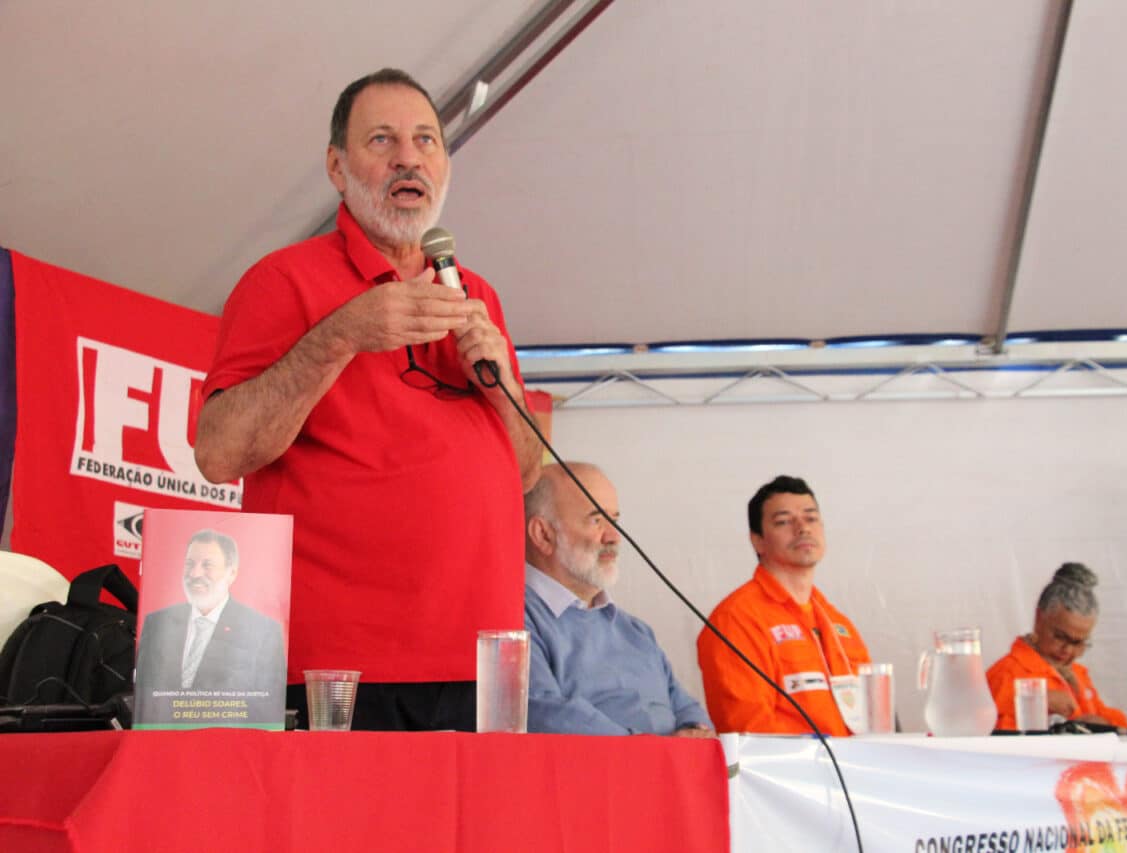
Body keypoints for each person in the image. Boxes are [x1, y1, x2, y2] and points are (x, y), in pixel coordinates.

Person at [193, 68, 541, 731]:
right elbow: (219, 452)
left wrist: (503, 387)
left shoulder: (478, 295)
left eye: (426, 140)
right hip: (336, 667)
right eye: (382, 140)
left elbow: (524, 471)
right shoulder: (282, 280)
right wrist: (341, 334)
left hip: (480, 662)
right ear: (336, 166)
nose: (409, 158)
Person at [523, 462, 714, 737]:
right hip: (605, 765)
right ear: (543, 534)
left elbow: (686, 707)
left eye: (614, 520)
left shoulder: (635, 630)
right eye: (596, 520)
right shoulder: (514, 619)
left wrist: (694, 732)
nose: (614, 536)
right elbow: (544, 715)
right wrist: (654, 751)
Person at [697, 475, 871, 735]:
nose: (803, 528)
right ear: (757, 540)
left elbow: (874, 716)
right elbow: (750, 731)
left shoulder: (838, 623)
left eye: (811, 518)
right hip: (794, 762)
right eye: (784, 521)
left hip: (857, 758)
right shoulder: (735, 619)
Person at [134, 529, 285, 717]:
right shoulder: (157, 623)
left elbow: (268, 707)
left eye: (208, 565)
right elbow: (144, 695)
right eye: (189, 564)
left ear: (231, 573)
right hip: (162, 731)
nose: (195, 573)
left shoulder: (263, 631)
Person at [986, 562, 1127, 730]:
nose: (1068, 650)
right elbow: (989, 735)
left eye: (1078, 643)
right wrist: (1037, 704)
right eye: (1060, 637)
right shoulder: (1006, 674)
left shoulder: (1076, 674)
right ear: (1039, 618)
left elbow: (1122, 727)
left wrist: (1103, 725)